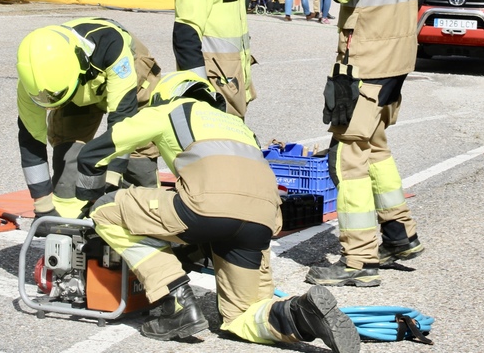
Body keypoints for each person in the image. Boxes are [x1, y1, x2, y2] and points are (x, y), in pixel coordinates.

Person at [77, 70, 359, 352]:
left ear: (166, 97)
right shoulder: (238, 126)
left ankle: (175, 303)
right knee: (242, 316)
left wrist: (84, 201)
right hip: (262, 219)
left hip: (205, 208)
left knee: (106, 210)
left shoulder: (169, 110)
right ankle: (301, 314)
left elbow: (96, 152)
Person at [307, 0, 425, 288]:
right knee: (376, 144)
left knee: (350, 154)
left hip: (365, 59)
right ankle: (400, 233)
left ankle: (359, 260)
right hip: (397, 56)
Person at [16, 18, 163, 220]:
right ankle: (70, 227)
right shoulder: (36, 80)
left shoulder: (111, 46)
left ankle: (144, 226)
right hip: (76, 91)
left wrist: (107, 189)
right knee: (68, 160)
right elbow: (31, 141)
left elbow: (123, 124)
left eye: (54, 100)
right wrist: (43, 207)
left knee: (138, 163)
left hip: (130, 78)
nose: (51, 105)